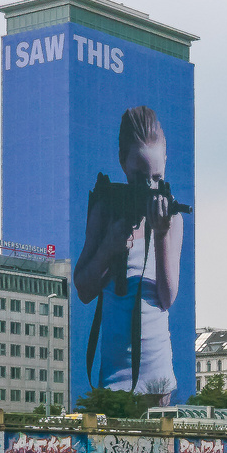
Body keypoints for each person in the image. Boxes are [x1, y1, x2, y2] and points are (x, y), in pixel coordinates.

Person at [76, 106, 185, 404]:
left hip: (159, 382)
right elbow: (83, 289)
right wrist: (109, 248)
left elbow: (166, 297)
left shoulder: (172, 218)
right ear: (122, 162)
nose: (148, 187)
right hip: (113, 384)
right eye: (138, 177)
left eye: (156, 177)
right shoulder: (106, 209)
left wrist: (161, 234)